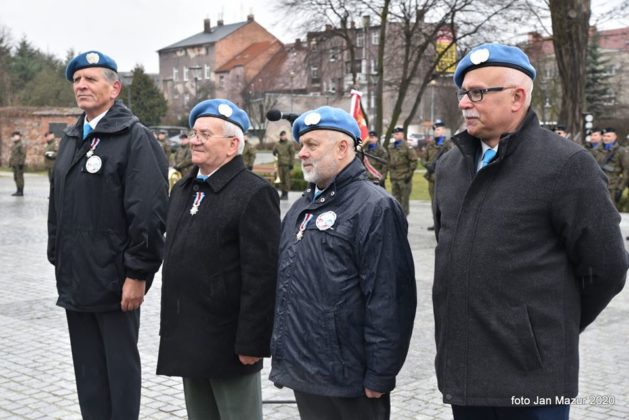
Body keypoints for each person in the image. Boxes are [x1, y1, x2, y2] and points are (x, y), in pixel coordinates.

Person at [433, 43, 627, 420]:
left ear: (517, 97)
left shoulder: (566, 165)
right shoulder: (450, 167)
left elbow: (607, 268)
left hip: (533, 380)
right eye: (463, 93)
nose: (464, 103)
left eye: (478, 93)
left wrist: (544, 330)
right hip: (465, 373)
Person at [270, 106, 416, 420]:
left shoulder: (375, 207)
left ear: (342, 148)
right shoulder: (300, 208)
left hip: (351, 378)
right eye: (301, 145)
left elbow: (389, 297)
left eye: (312, 145)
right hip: (306, 372)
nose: (302, 153)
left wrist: (380, 371)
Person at [47, 51, 169, 420]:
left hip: (116, 282)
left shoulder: (135, 138)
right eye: (77, 80)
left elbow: (148, 212)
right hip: (77, 277)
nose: (81, 86)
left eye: (91, 79)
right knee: (88, 375)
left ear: (114, 89)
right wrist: (57, 256)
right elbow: (57, 205)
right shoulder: (72, 137)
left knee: (119, 372)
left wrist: (137, 274)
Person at [157, 99, 280, 420]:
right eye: (193, 133)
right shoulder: (184, 189)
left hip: (230, 343)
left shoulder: (253, 193)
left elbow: (262, 277)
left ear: (232, 145)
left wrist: (253, 342)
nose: (194, 140)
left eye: (205, 134)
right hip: (188, 335)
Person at [421, 119, 452, 231]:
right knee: (434, 203)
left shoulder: (448, 145)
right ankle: (436, 223)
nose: (436, 132)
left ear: (443, 130)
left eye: (438, 129)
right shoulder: (430, 145)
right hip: (432, 179)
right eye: (435, 130)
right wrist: (427, 166)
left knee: (444, 202)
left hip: (444, 179)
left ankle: (444, 224)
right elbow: (423, 159)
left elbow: (453, 160)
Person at [387, 127, 418, 216]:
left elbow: (414, 161)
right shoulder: (391, 147)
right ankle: (396, 219)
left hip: (404, 178)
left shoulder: (407, 146)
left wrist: (409, 175)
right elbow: (388, 160)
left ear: (402, 135)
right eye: (394, 134)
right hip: (394, 177)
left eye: (398, 134)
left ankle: (404, 219)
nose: (396, 136)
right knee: (395, 200)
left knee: (404, 201)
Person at [599, 127, 629, 209]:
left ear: (615, 137)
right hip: (597, 185)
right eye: (604, 136)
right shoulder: (597, 150)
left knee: (609, 211)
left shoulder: (621, 151)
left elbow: (626, 171)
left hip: (612, 187)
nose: (606, 138)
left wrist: (620, 188)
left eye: (608, 136)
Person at [272, 130, 295, 200]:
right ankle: (282, 193)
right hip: (280, 164)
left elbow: (292, 154)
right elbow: (274, 152)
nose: (283, 137)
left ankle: (286, 194)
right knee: (281, 179)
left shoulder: (289, 144)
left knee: (286, 180)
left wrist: (291, 164)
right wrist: (275, 149)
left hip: (287, 164)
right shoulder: (277, 144)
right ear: (280, 136)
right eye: (282, 136)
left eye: (284, 135)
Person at [9, 131, 26, 196]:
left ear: (18, 136)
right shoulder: (15, 145)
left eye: (14, 136)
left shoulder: (20, 144)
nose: (13, 138)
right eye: (13, 137)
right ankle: (18, 190)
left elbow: (23, 154)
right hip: (15, 164)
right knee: (16, 177)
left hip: (19, 165)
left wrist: (21, 163)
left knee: (19, 178)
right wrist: (10, 163)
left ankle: (20, 191)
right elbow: (13, 155)